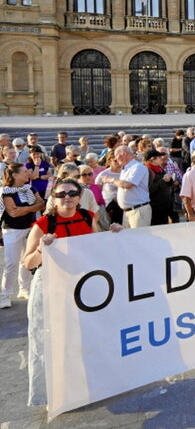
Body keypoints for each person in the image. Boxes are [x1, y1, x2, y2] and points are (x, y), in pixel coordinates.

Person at [23, 178, 122, 406]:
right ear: (54, 199)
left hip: (82, 286)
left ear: (79, 196)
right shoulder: (43, 224)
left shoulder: (88, 216)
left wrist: (115, 235)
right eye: (61, 194)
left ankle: (86, 386)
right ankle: (52, 394)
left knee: (85, 337)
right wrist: (41, 250)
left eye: (71, 193)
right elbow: (28, 263)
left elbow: (97, 247)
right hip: (50, 287)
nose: (66, 197)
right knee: (49, 340)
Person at [0, 164, 45, 308]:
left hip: (30, 229)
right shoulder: (6, 192)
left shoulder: (30, 188)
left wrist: (24, 209)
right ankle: (5, 295)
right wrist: (32, 208)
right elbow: (13, 212)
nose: (28, 173)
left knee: (26, 261)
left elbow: (42, 204)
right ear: (15, 175)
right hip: (12, 230)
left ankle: (24, 289)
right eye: (25, 171)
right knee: (11, 264)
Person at [105, 145, 151, 228]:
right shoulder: (126, 168)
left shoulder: (137, 167)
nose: (115, 159)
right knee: (130, 239)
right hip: (128, 211)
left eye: (116, 155)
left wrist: (111, 180)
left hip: (137, 210)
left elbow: (127, 185)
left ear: (123, 154)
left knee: (138, 239)